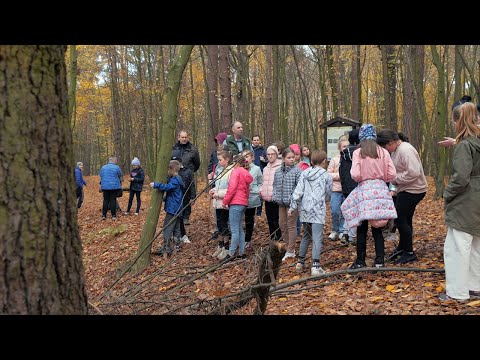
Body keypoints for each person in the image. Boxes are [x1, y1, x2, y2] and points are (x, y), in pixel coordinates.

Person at [439, 102, 480, 301]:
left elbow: (461, 177)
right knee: (475, 246)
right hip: (477, 201)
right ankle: (474, 286)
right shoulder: (475, 142)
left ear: (457, 120)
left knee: (457, 247)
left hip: (466, 202)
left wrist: (448, 193)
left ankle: (456, 292)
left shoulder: (465, 146)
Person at [341, 124, 397, 269]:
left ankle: (360, 261)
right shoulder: (383, 152)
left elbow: (355, 174)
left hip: (365, 191)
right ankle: (379, 261)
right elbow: (392, 174)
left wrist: (365, 178)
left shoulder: (358, 153)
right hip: (380, 190)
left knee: (362, 227)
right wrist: (381, 178)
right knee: (377, 228)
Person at [376, 130, 427, 264]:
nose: (385, 150)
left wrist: (396, 179)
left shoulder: (406, 150)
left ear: (391, 142)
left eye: (385, 147)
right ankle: (403, 247)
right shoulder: (397, 150)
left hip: (414, 190)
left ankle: (409, 252)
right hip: (405, 189)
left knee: (399, 219)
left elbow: (414, 172)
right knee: (405, 219)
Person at [290, 150, 332, 276]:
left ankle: (300, 262)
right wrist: (325, 199)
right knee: (317, 237)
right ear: (324, 161)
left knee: (307, 235)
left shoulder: (305, 173)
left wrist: (292, 207)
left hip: (305, 209)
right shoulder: (326, 175)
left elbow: (298, 190)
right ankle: (315, 265)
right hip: (318, 209)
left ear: (312, 161)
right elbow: (329, 192)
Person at [272, 147, 302, 261]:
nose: (291, 160)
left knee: (291, 225)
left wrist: (294, 200)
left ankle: (290, 250)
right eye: (289, 158)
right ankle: (289, 246)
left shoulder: (297, 171)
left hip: (292, 203)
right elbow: (275, 185)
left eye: (293, 157)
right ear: (283, 159)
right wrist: (275, 196)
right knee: (282, 224)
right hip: (281, 202)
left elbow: (299, 188)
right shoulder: (278, 171)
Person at [222, 154, 253, 260]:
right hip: (243, 203)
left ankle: (230, 254)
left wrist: (225, 201)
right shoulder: (246, 173)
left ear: (235, 162)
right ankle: (241, 252)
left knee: (234, 229)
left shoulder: (235, 172)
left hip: (235, 203)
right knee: (239, 228)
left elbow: (232, 188)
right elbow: (247, 191)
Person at [150, 160, 184, 257]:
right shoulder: (178, 179)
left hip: (173, 208)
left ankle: (166, 247)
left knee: (167, 227)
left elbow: (168, 187)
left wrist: (156, 185)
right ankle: (177, 245)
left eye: (168, 170)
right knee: (176, 227)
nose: (167, 172)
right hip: (177, 207)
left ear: (172, 169)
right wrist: (166, 198)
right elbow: (174, 192)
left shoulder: (175, 180)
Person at [171, 130, 200, 225]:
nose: (184, 139)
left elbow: (197, 163)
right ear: (178, 137)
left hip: (188, 176)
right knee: (177, 196)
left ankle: (186, 217)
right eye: (182, 137)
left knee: (187, 197)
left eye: (185, 137)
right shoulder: (173, 148)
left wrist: (189, 171)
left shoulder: (193, 149)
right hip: (176, 175)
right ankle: (177, 215)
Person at [209, 150, 234, 260]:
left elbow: (230, 189)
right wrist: (213, 190)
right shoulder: (220, 171)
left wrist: (218, 194)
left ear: (227, 160)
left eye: (220, 160)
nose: (218, 162)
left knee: (224, 224)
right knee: (219, 224)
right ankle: (221, 245)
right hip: (217, 202)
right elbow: (218, 185)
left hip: (225, 203)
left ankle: (227, 247)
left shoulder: (231, 172)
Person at [339, 128, 360, 245]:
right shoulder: (359, 153)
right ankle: (352, 236)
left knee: (349, 211)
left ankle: (346, 232)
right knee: (356, 212)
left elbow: (341, 170)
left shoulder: (344, 153)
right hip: (356, 185)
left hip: (346, 187)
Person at [327, 138, 349, 242]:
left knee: (345, 211)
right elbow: (328, 174)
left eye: (347, 146)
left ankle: (342, 230)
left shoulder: (350, 159)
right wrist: (340, 176)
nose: (346, 148)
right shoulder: (334, 160)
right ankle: (335, 230)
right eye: (344, 146)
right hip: (335, 190)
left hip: (346, 190)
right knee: (335, 210)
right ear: (339, 148)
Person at [259, 145, 282, 241]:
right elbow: (263, 182)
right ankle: (272, 238)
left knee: (277, 220)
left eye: (272, 154)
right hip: (267, 198)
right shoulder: (265, 168)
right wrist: (261, 191)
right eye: (268, 154)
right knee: (270, 220)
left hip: (276, 198)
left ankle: (279, 239)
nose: (270, 156)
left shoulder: (281, 167)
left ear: (276, 155)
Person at [241, 149, 263, 250]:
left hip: (252, 198)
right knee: (240, 220)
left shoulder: (257, 169)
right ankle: (240, 239)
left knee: (249, 220)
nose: (245, 159)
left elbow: (260, 181)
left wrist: (257, 190)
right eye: (244, 157)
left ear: (252, 158)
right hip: (240, 198)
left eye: (247, 156)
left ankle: (247, 240)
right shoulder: (239, 168)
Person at [172, 156, 193, 244]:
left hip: (185, 197)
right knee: (176, 217)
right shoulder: (171, 172)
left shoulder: (187, 171)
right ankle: (177, 235)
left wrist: (192, 196)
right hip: (175, 198)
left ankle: (183, 235)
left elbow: (192, 184)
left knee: (182, 217)